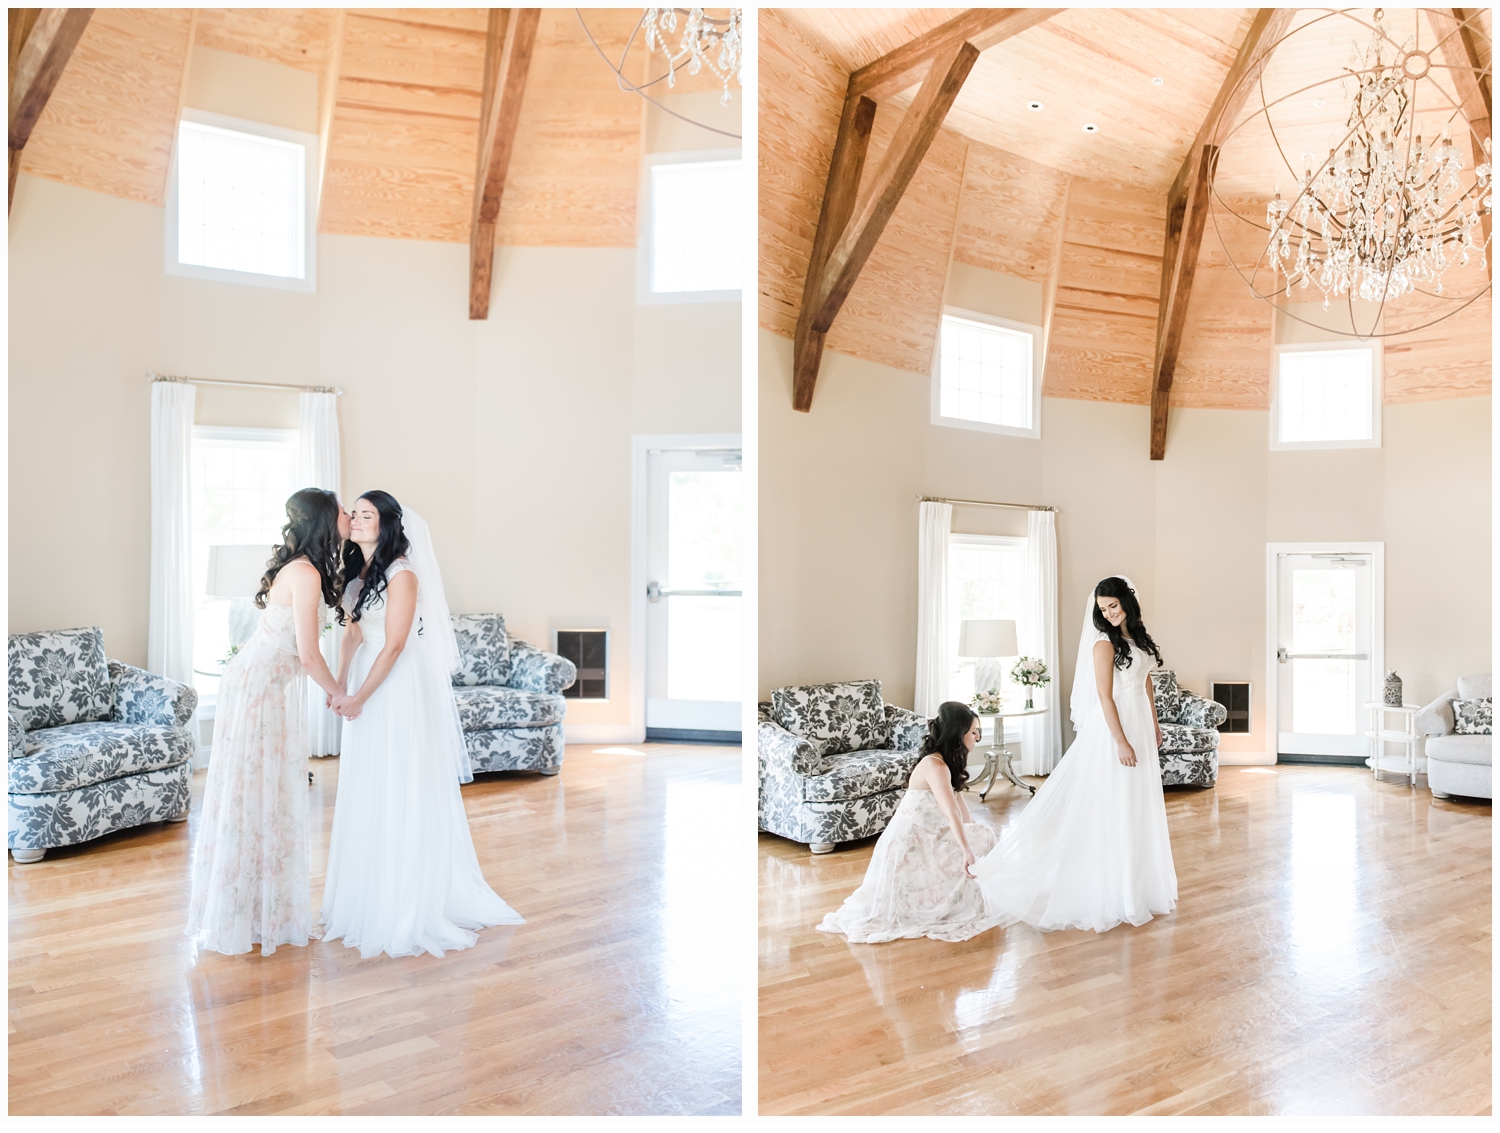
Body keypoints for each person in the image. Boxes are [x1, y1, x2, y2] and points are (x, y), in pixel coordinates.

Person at [319, 490, 523, 958]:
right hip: (366, 679)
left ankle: (405, 902)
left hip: (395, 685)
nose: (356, 519)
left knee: (399, 781)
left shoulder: (402, 573)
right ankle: (366, 895)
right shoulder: (357, 571)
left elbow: (393, 646)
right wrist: (341, 687)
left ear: (388, 524)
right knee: (369, 784)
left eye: (367, 515)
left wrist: (361, 696)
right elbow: (353, 633)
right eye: (354, 514)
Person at [186, 488, 350, 956]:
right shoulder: (305, 573)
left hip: (262, 683)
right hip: (259, 686)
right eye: (341, 510)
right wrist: (338, 694)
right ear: (324, 520)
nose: (347, 516)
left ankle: (259, 910)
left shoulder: (307, 568)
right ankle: (245, 912)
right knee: (254, 792)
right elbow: (307, 652)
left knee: (264, 791)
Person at [972, 575, 1177, 933]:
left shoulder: (1138, 638)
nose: (1110, 613)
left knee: (1138, 802)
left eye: (1114, 605)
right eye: (1103, 608)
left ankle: (1138, 885)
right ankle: (1114, 890)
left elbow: (1145, 680)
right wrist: (1120, 740)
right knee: (1117, 803)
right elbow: (1104, 696)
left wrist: (1154, 724)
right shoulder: (1103, 644)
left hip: (1141, 722)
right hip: (1117, 726)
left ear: (1128, 601)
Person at [817, 701, 1002, 943]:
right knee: (979, 840)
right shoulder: (935, 766)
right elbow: (952, 813)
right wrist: (967, 850)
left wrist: (971, 832)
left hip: (928, 834)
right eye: (973, 731)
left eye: (979, 731)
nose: (977, 737)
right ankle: (955, 905)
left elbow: (960, 807)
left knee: (982, 835)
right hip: (911, 844)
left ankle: (966, 901)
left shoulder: (946, 763)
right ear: (959, 733)